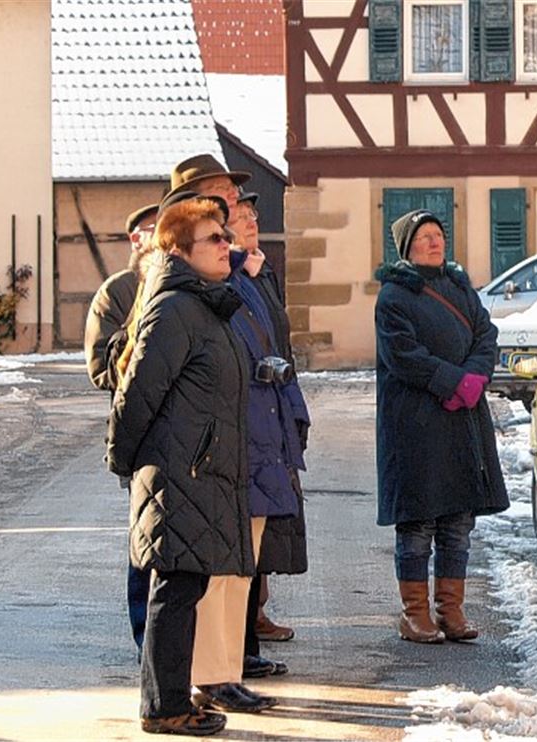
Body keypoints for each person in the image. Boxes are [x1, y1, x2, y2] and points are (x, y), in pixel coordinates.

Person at [107, 196, 252, 736]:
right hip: (179, 475)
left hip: (198, 472)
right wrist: (125, 461)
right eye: (215, 238)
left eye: (225, 235)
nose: (227, 245)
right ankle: (164, 708)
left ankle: (168, 700)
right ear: (180, 250)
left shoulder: (204, 305)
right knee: (175, 590)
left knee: (184, 589)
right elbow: (138, 391)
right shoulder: (174, 309)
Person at [374, 209, 510, 643]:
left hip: (462, 422)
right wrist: (452, 381)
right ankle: (415, 614)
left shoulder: (460, 288)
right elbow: (404, 356)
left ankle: (451, 610)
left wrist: (474, 378)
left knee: (457, 523)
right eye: (426, 237)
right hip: (415, 425)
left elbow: (486, 336)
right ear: (407, 247)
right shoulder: (393, 297)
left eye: (439, 235)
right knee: (418, 524)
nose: (436, 242)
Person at [226, 191, 310, 676]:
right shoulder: (231, 281)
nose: (253, 221)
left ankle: (250, 630)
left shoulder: (261, 274)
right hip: (250, 419)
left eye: (254, 214)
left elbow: (280, 343)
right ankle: (237, 648)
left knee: (265, 532)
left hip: (274, 411)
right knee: (244, 536)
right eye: (242, 215)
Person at [84, 202, 157, 655]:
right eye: (154, 230)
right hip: (140, 427)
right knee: (144, 537)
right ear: (137, 240)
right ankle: (143, 634)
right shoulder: (118, 291)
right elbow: (100, 368)